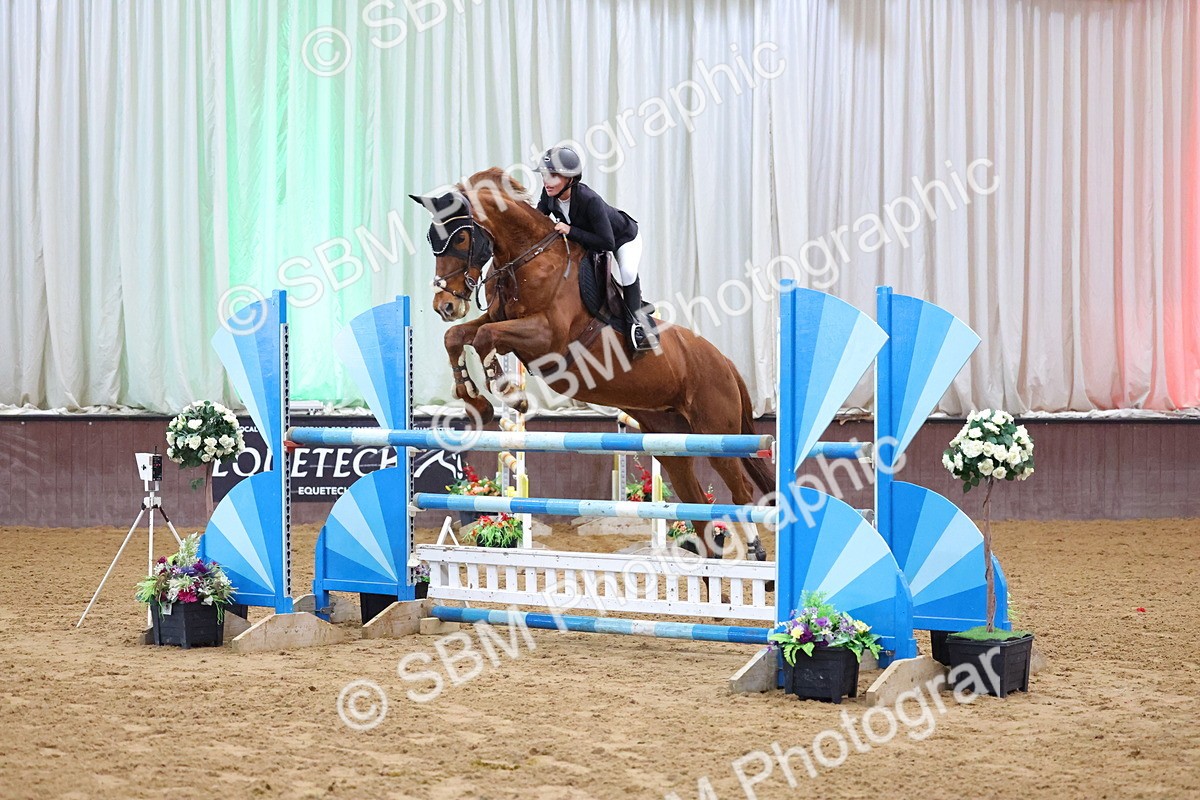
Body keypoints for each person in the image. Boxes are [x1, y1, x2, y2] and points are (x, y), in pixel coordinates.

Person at [534, 146, 658, 351]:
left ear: (570, 179)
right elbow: (538, 221)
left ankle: (637, 325)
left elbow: (607, 243)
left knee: (627, 272)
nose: (547, 181)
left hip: (623, 238)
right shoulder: (549, 195)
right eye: (545, 175)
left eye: (553, 176)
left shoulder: (589, 200)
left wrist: (570, 230)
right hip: (592, 240)